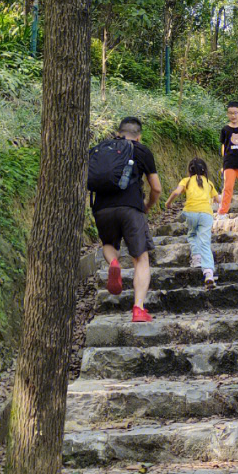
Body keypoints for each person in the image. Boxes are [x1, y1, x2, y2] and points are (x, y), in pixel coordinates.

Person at [88, 115, 161, 323]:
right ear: (139, 136)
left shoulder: (102, 148)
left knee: (109, 244)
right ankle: (138, 308)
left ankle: (113, 262)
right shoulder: (141, 150)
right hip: (131, 209)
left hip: (102, 209)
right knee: (141, 259)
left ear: (119, 132)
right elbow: (156, 188)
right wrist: (147, 205)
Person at [162, 157, 219, 285]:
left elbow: (176, 192)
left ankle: (197, 258)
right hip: (206, 214)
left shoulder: (186, 181)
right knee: (205, 241)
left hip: (191, 212)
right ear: (205, 170)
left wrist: (168, 202)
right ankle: (209, 273)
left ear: (190, 170)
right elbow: (218, 199)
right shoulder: (209, 183)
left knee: (192, 234)